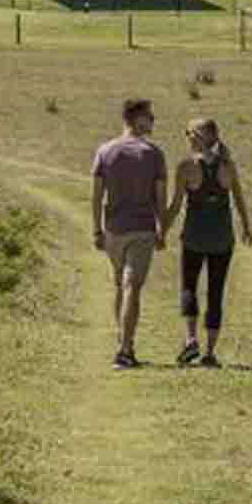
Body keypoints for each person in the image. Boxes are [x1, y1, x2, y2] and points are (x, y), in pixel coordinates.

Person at [163, 117, 252, 368]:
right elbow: (239, 199)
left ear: (199, 137)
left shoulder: (185, 167)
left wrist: (162, 231)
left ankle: (191, 340)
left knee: (189, 287)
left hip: (194, 237)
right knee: (216, 292)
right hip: (223, 239)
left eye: (189, 133)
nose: (187, 137)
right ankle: (210, 354)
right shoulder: (228, 166)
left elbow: (175, 206)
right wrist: (246, 227)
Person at [90, 97, 167, 370]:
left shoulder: (105, 151)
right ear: (135, 119)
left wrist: (96, 229)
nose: (153, 121)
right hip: (142, 228)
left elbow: (97, 195)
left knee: (121, 286)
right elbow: (160, 198)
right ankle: (124, 349)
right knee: (132, 286)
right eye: (149, 117)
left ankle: (124, 342)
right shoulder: (153, 154)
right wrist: (163, 229)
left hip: (113, 229)